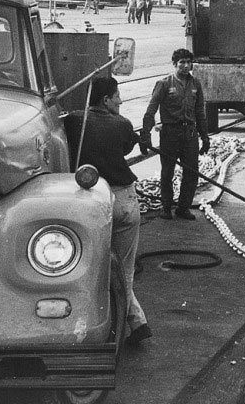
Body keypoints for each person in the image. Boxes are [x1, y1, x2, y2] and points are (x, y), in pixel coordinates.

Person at [64, 76, 152, 345]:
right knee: (124, 271)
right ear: (105, 100)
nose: (121, 101)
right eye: (117, 97)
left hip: (91, 202)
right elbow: (125, 147)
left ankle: (134, 323)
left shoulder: (74, 121)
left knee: (95, 269)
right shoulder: (122, 124)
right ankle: (126, 329)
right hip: (123, 200)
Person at [140, 48, 210, 220]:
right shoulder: (164, 84)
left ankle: (183, 207)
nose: (186, 66)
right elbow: (151, 110)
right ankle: (166, 207)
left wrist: (205, 137)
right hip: (170, 134)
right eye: (182, 62)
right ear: (174, 64)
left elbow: (200, 112)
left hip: (190, 134)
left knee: (191, 172)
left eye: (188, 62)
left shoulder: (196, 84)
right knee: (167, 172)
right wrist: (145, 134)